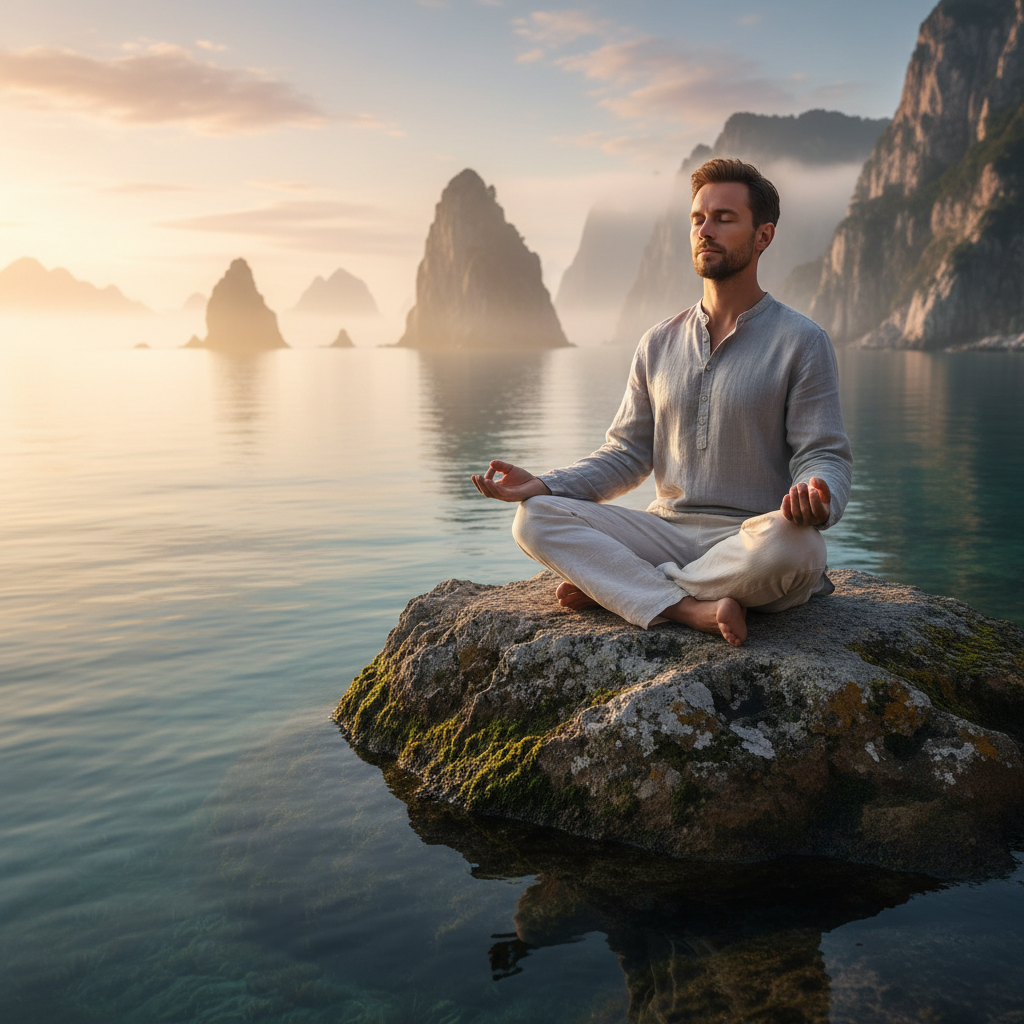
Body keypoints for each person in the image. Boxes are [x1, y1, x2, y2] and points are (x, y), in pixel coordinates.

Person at [471, 158, 852, 647]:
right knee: (534, 517)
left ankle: (625, 588)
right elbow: (626, 455)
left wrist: (818, 496)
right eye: (698, 219)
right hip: (664, 532)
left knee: (800, 550)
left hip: (750, 537)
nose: (705, 230)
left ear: (764, 236)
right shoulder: (657, 343)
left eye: (724, 218)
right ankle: (690, 607)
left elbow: (824, 454)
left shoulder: (802, 341)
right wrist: (545, 484)